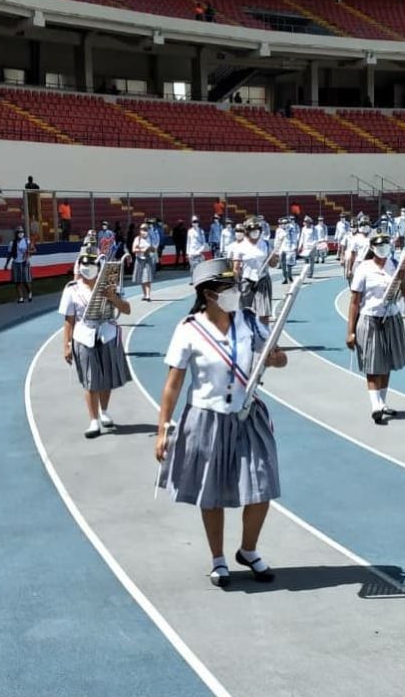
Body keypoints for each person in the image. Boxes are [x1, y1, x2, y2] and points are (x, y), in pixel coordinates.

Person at [155, 257, 287, 588]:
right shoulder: (189, 329)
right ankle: (218, 559)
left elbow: (279, 356)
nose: (233, 293)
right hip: (206, 418)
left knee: (262, 485)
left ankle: (249, 549)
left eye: (234, 286)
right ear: (208, 293)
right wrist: (163, 428)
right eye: (226, 287)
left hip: (246, 416)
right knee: (210, 492)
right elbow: (173, 383)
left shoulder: (249, 322)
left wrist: (275, 357)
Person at [59, 246, 132, 439]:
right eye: (84, 263)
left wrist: (112, 297)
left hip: (107, 333)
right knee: (91, 380)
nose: (87, 267)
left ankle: (104, 411)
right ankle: (93, 421)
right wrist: (66, 345)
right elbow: (69, 320)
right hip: (84, 336)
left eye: (91, 263)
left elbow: (127, 310)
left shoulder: (110, 286)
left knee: (106, 377)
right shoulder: (72, 289)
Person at [346, 232, 405, 426]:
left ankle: (382, 403)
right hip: (370, 319)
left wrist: (403, 278)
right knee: (373, 364)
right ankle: (375, 406)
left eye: (386, 245)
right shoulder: (364, 268)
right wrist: (349, 331)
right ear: (373, 248)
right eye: (379, 246)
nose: (383, 249)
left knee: (387, 363)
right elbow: (354, 302)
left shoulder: (396, 265)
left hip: (391, 318)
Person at [229, 217, 276, 325]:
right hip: (246, 280)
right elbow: (236, 268)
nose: (255, 234)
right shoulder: (240, 247)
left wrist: (274, 256)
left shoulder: (266, 244)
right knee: (245, 311)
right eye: (252, 231)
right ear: (247, 232)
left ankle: (264, 336)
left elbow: (273, 264)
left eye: (257, 231)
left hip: (262, 279)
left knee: (264, 312)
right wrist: (235, 284)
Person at [4, 224, 34, 303]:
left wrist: (28, 252)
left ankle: (29, 292)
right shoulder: (12, 243)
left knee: (26, 281)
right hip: (16, 263)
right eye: (19, 232)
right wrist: (6, 264)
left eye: (22, 231)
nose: (21, 233)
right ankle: (21, 297)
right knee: (17, 281)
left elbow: (34, 250)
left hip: (24, 262)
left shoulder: (27, 241)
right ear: (16, 233)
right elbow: (10, 254)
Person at [131, 222, 156, 302]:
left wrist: (151, 250)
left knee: (147, 277)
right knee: (141, 278)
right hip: (139, 259)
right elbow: (133, 249)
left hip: (148, 259)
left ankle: (148, 295)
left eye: (146, 229)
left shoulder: (151, 238)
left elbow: (153, 248)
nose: (144, 231)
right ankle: (145, 294)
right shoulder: (137, 239)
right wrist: (142, 250)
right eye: (142, 229)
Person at [274, 215, 298, 285]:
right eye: (282, 223)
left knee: (289, 264)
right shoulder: (278, 230)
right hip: (282, 248)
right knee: (282, 263)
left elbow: (294, 239)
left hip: (289, 248)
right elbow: (277, 240)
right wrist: (276, 249)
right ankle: (285, 277)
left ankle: (290, 276)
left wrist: (294, 247)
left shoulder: (291, 229)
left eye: (285, 223)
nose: (284, 224)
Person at [297, 215, 317, 281]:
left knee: (311, 261)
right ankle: (306, 272)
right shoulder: (303, 229)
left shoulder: (313, 228)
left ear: (309, 222)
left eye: (306, 221)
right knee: (305, 261)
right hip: (305, 247)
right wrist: (300, 246)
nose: (305, 222)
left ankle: (310, 273)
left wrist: (312, 245)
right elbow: (301, 238)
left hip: (312, 247)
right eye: (304, 221)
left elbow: (316, 238)